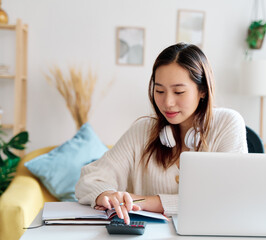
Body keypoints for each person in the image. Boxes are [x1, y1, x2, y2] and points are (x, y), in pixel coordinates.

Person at [75, 43, 248, 224]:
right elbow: (90, 178)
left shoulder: (228, 123)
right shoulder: (143, 130)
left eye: (179, 92)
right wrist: (106, 195)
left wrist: (142, 201)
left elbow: (227, 196)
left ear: (202, 90)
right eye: (159, 91)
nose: (167, 102)